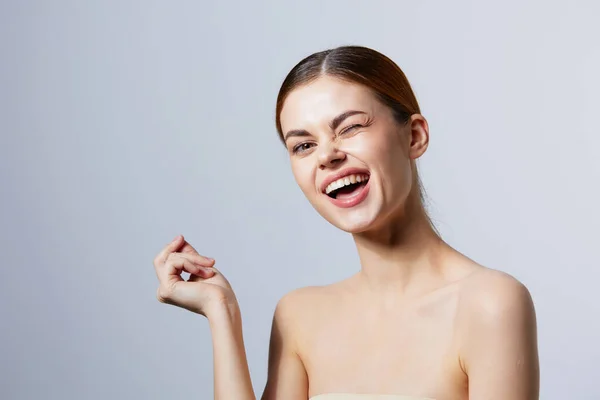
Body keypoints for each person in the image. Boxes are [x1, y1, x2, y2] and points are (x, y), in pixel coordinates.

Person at [152, 45, 540, 400]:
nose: (327, 156)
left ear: (415, 136)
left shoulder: (489, 303)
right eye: (303, 145)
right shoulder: (299, 316)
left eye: (351, 127)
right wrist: (222, 311)